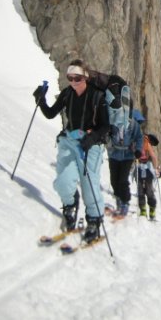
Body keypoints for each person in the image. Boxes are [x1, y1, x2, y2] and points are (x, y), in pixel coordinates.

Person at [33, 59, 109, 243]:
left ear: (85, 77)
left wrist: (92, 138)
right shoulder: (67, 94)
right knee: (63, 181)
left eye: (78, 78)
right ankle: (70, 204)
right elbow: (51, 113)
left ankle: (94, 219)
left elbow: (106, 126)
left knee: (89, 183)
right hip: (69, 140)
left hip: (91, 145)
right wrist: (41, 100)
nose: (74, 82)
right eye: (70, 78)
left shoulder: (97, 96)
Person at [108, 108, 144, 217]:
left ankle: (125, 201)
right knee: (114, 180)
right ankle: (119, 198)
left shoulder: (133, 123)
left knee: (123, 180)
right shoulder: (112, 119)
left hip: (127, 155)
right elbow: (107, 132)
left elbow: (139, 137)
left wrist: (138, 149)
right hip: (114, 154)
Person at [136, 133, 160, 220]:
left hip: (138, 167)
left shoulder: (138, 140)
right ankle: (152, 209)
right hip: (148, 168)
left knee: (140, 190)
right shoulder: (147, 144)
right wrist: (156, 168)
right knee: (149, 190)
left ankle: (142, 209)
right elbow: (154, 157)